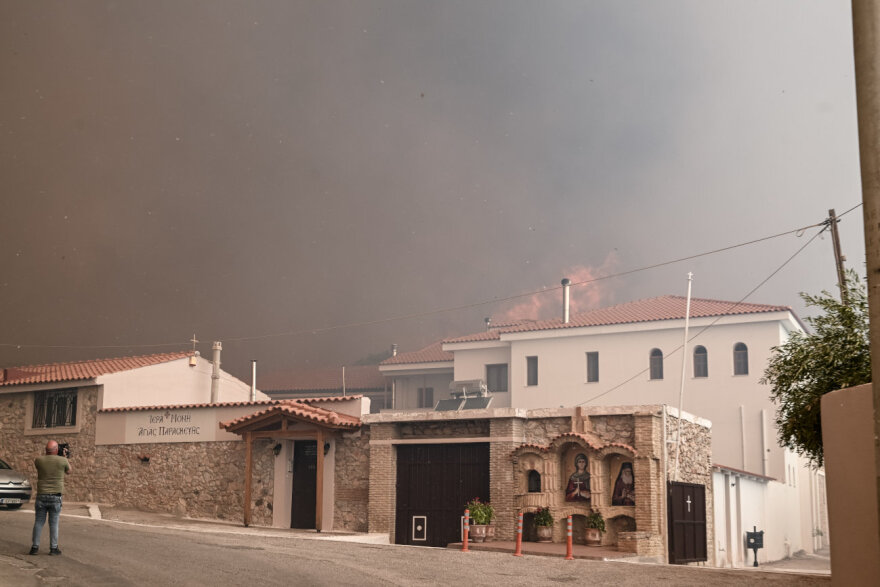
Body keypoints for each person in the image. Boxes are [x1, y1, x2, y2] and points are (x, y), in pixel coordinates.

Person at [29, 440, 71, 556]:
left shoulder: (38, 460)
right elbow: (69, 471)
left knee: (39, 522)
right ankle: (53, 548)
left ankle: (34, 547)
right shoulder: (62, 460)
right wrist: (64, 457)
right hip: (55, 497)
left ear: (46, 450)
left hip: (41, 496)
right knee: (54, 523)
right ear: (56, 450)